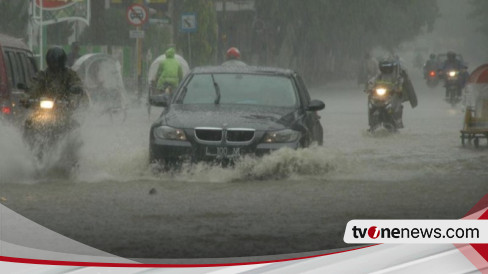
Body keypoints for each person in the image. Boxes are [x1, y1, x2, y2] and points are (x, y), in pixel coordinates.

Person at [366, 57, 417, 129]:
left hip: (391, 96)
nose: (386, 69)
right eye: (384, 68)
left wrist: (398, 89)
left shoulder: (396, 76)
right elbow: (372, 81)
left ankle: (396, 121)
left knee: (396, 106)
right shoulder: (379, 75)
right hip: (379, 97)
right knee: (370, 102)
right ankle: (371, 123)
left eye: (387, 67)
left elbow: (400, 82)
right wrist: (369, 88)